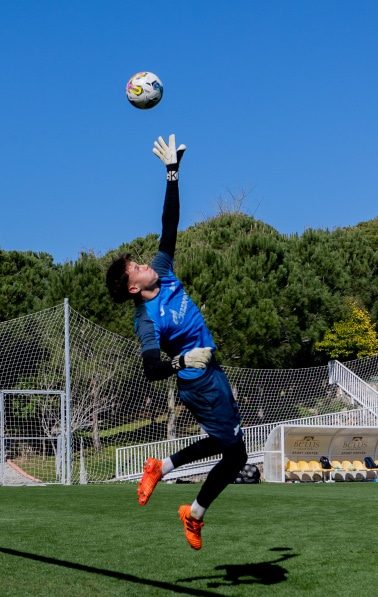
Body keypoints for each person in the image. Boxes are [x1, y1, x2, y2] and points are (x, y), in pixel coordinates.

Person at [105, 134, 247, 551]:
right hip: (197, 381)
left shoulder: (163, 273)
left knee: (229, 447)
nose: (144, 263)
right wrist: (183, 359)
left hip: (211, 372)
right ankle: (192, 511)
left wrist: (171, 175)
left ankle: (163, 470)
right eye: (135, 267)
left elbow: (170, 226)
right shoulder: (146, 320)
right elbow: (151, 370)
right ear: (133, 288)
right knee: (234, 454)